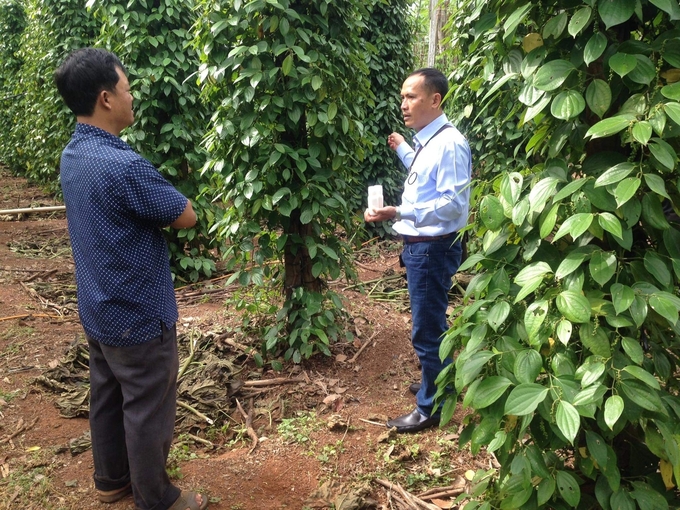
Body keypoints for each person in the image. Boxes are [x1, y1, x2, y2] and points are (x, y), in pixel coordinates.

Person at [55, 48, 208, 510]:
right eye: (126, 88)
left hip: (98, 305)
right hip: (137, 312)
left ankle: (112, 481)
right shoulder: (124, 166)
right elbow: (186, 216)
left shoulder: (73, 154)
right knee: (147, 406)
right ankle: (156, 498)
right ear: (105, 98)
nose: (132, 95)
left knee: (106, 393)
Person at [365, 68, 471, 433]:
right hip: (422, 247)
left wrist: (399, 211)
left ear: (435, 99)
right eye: (402, 97)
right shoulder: (430, 140)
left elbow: (453, 205)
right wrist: (404, 151)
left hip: (431, 248)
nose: (403, 104)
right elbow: (425, 175)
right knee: (432, 324)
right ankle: (437, 381)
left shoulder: (449, 143)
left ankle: (432, 407)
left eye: (411, 96)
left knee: (427, 330)